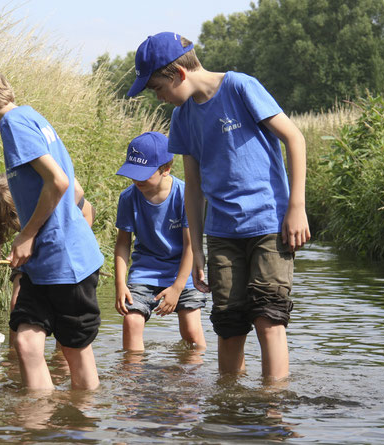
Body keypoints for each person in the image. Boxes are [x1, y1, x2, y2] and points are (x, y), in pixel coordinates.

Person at [126, 32, 310, 380]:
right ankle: (229, 405)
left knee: (267, 317)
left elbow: (294, 138)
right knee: (228, 323)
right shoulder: (182, 119)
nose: (160, 98)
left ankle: (273, 408)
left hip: (269, 224)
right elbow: (193, 188)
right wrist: (197, 250)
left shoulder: (239, 87)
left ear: (178, 74)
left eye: (157, 88)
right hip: (222, 233)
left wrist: (296, 207)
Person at [0, 64, 104, 390]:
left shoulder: (14, 126)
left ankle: (81, 428)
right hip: (44, 262)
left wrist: (28, 233)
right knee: (26, 344)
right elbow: (75, 189)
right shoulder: (31, 116)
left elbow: (59, 182)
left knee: (75, 352)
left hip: (67, 263)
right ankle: (37, 425)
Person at [0, 173, 95, 349]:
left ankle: (61, 360)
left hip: (65, 246)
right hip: (27, 245)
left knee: (65, 312)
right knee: (18, 303)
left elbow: (88, 213)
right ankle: (15, 360)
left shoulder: (50, 201)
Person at [114, 131, 206, 351]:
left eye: (143, 174)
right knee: (132, 321)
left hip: (183, 272)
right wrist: (120, 283)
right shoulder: (128, 198)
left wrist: (177, 288)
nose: (137, 180)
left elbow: (190, 245)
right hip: (146, 270)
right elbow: (123, 244)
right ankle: (133, 377)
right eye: (132, 173)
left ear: (166, 169)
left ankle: (194, 378)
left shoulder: (186, 195)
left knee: (191, 332)